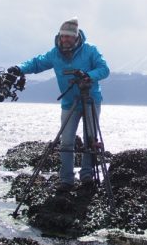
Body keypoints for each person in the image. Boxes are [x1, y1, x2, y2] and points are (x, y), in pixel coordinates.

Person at [9, 18, 109, 192]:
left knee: (90, 140)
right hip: (69, 102)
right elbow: (37, 63)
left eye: (69, 37)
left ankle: (87, 176)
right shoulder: (55, 54)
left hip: (90, 99)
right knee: (66, 141)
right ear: (59, 36)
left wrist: (87, 76)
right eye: (63, 36)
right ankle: (66, 180)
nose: (65, 40)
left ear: (76, 37)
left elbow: (104, 69)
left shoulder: (90, 50)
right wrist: (19, 68)